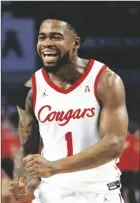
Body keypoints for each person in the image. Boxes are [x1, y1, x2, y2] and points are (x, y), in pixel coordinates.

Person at [9, 5, 128, 203]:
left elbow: (113, 145)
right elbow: (27, 147)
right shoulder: (34, 90)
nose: (46, 43)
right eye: (42, 37)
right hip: (50, 194)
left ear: (75, 43)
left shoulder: (105, 80)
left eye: (55, 37)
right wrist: (21, 180)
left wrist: (53, 167)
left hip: (97, 194)